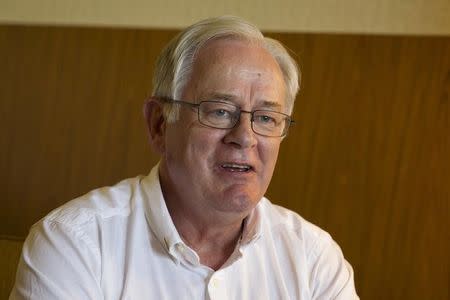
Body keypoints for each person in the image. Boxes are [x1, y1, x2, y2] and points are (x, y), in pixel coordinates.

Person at [10, 16, 358, 299]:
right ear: (160, 124)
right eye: (220, 111)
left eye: (267, 118)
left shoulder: (314, 259)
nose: (245, 137)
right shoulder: (74, 245)